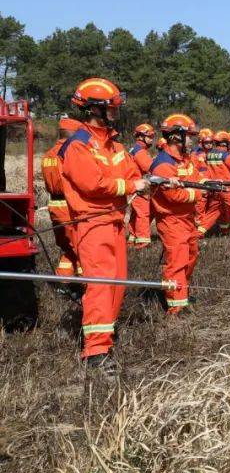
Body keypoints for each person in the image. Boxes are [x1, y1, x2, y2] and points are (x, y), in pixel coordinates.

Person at [59, 77, 148, 370]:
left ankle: (104, 336)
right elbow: (92, 185)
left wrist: (151, 181)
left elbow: (133, 171)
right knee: (100, 284)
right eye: (112, 108)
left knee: (116, 284)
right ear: (95, 109)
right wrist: (131, 186)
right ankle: (95, 353)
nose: (116, 113)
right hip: (91, 223)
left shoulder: (113, 145)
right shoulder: (79, 146)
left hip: (114, 222)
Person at [149, 114, 200, 314]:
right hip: (171, 221)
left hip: (187, 219)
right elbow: (173, 196)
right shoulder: (163, 163)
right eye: (189, 136)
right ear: (176, 137)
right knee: (176, 261)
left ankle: (182, 294)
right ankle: (176, 307)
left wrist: (206, 184)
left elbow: (196, 178)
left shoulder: (184, 160)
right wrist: (198, 193)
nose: (192, 140)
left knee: (191, 257)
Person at [40, 118, 82, 278]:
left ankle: (63, 283)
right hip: (70, 208)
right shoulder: (70, 153)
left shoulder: (47, 155)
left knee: (69, 249)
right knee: (82, 250)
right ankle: (87, 287)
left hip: (54, 208)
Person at [198, 131, 230, 242]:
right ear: (225, 143)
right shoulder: (225, 155)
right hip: (227, 188)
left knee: (213, 212)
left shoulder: (209, 155)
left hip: (215, 189)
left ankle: (198, 233)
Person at [127, 123, 156, 249]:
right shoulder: (140, 151)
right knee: (143, 213)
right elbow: (149, 167)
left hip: (133, 185)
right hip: (139, 187)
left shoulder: (134, 149)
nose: (151, 139)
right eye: (149, 137)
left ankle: (132, 238)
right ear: (141, 137)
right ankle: (143, 241)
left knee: (136, 213)